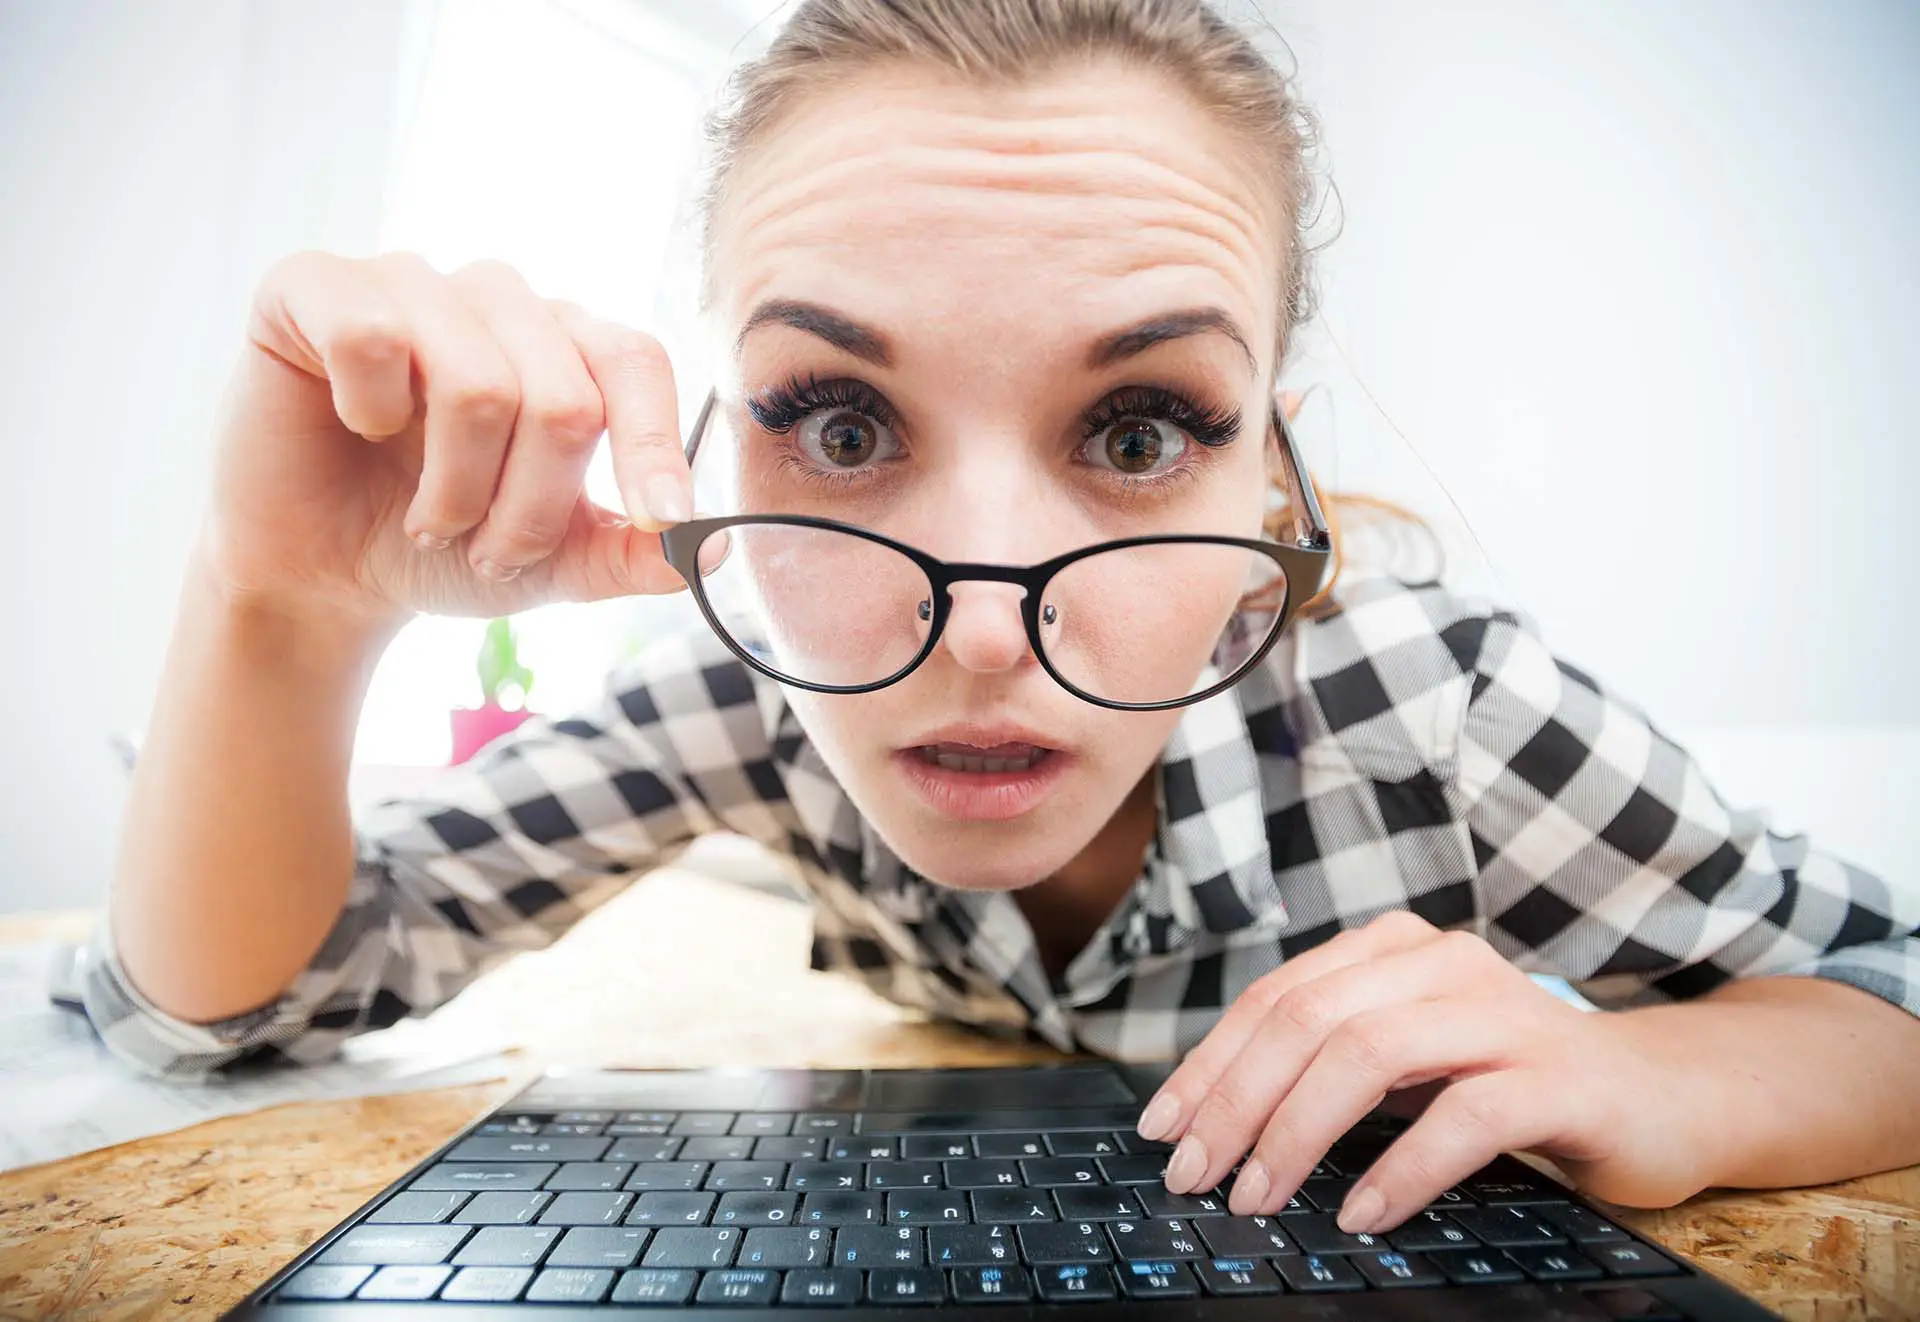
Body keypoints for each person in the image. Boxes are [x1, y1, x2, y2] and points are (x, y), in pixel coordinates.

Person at [87, 0, 1919, 1237]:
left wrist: (1654, 1071)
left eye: (1138, 430)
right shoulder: (745, 684)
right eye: (844, 424)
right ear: (730, 441)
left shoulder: (1432, 710)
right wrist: (279, 604)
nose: (978, 622)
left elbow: (1888, 989)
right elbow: (226, 1012)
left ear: (1266, 482)